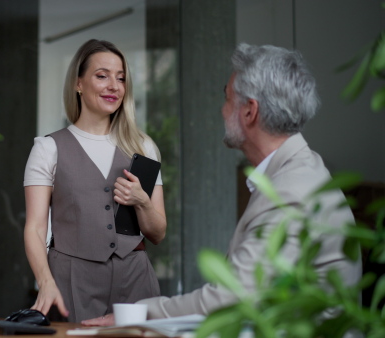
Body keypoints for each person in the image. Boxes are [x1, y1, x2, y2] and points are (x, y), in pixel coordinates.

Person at [82, 43, 362, 325]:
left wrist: (137, 313)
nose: (222, 110)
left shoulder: (290, 192)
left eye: (227, 99)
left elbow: (230, 298)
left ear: (250, 111)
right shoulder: (299, 169)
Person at [23, 39, 167, 323]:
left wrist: (142, 202)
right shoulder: (48, 148)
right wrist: (45, 281)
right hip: (71, 280)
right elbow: (35, 228)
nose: (114, 86)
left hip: (135, 279)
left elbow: (158, 232)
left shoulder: (143, 147)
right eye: (102, 76)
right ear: (78, 83)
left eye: (121, 78)